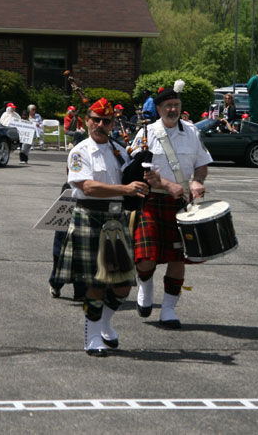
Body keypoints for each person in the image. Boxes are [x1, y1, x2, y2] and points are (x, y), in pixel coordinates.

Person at [53, 97, 151, 357]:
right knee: (94, 284)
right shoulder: (79, 152)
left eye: (105, 121)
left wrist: (145, 179)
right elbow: (86, 187)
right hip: (90, 217)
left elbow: (131, 177)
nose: (100, 124)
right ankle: (93, 336)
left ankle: (105, 322)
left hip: (116, 220)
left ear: (111, 124)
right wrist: (124, 188)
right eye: (95, 119)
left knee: (122, 285)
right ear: (86, 121)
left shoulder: (118, 150)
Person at [132, 85, 213, 329]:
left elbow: (202, 163)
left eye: (176, 104)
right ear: (158, 108)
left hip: (179, 203)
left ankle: (168, 310)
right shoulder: (146, 133)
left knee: (179, 258)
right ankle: (145, 286)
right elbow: (137, 169)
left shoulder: (191, 132)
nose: (172, 109)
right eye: (167, 105)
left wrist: (198, 180)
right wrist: (167, 185)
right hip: (151, 200)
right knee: (146, 256)